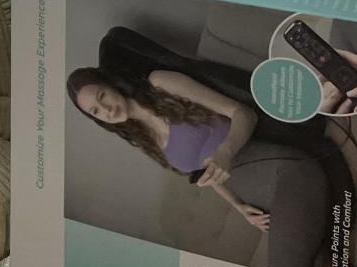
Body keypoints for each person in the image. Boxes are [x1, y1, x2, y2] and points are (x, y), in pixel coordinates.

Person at [66, 65, 271, 230]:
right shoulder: (143, 140)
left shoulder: (160, 84)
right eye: (96, 111)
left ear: (112, 84)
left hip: (261, 153)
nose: (107, 109)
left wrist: (226, 150)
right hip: (248, 191)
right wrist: (238, 205)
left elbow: (243, 113)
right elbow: (208, 171)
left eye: (102, 96)